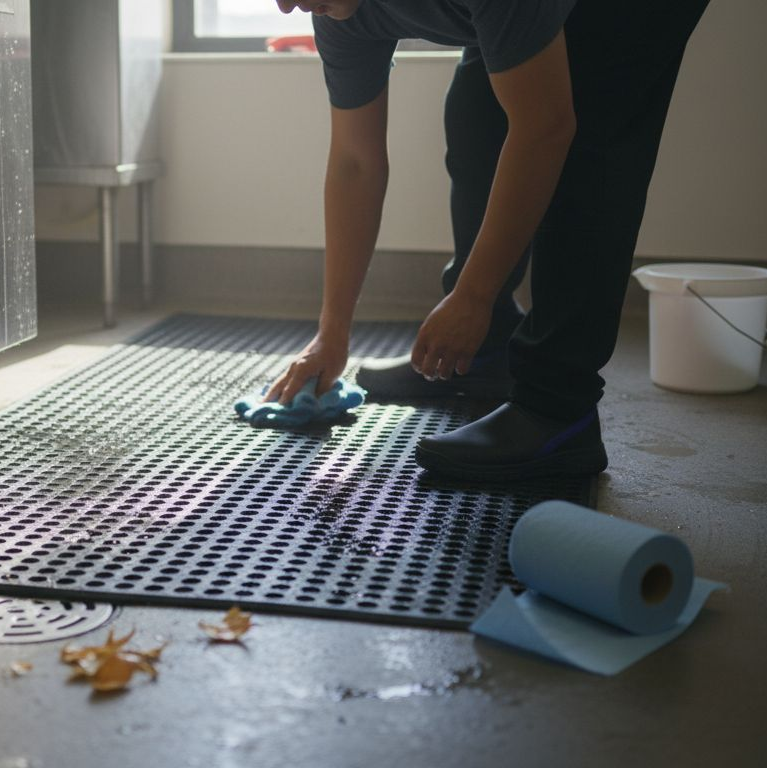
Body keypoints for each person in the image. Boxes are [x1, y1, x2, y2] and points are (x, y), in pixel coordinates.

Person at [264, 0, 709, 480]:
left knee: (589, 129)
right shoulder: (334, 11)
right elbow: (355, 163)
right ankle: (485, 347)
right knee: (477, 112)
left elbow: (545, 128)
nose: (290, 5)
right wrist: (332, 333)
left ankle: (558, 409)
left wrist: (471, 295)